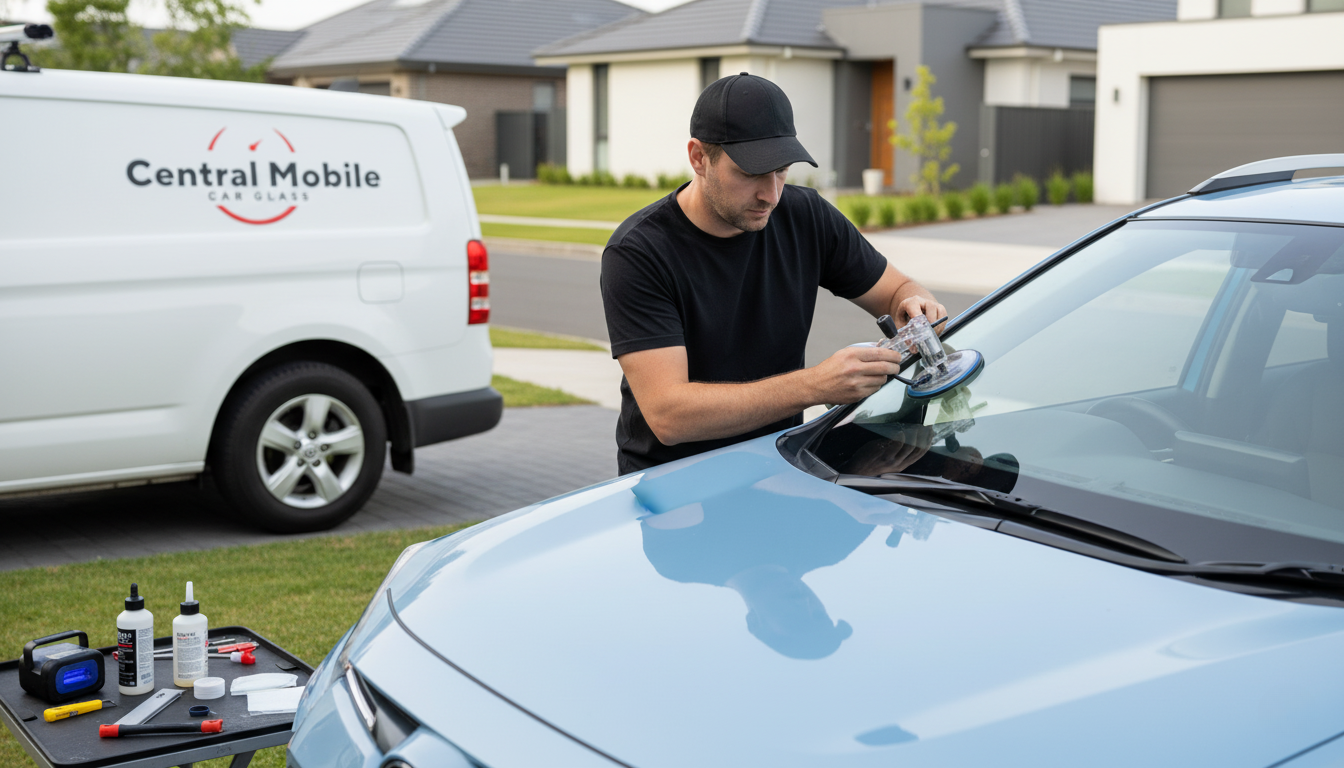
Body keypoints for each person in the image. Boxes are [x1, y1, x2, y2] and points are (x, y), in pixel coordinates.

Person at [601, 72, 946, 475]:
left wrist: (916, 303)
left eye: (782, 170)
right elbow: (669, 415)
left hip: (779, 467)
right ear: (698, 158)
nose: (772, 194)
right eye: (750, 173)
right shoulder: (639, 252)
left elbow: (896, 291)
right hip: (673, 485)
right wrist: (816, 385)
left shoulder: (806, 216)